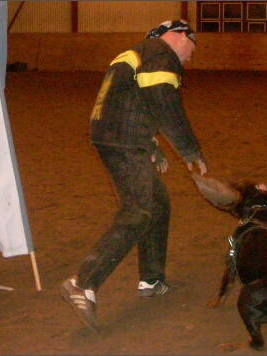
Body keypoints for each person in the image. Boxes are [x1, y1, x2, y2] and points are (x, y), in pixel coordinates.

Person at [60, 19, 207, 332]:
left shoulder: (138, 53)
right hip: (123, 140)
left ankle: (151, 280)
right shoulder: (162, 53)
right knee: (138, 211)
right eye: (192, 47)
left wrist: (152, 146)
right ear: (180, 37)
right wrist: (190, 150)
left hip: (112, 134)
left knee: (158, 202)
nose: (191, 57)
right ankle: (82, 284)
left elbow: (131, 99)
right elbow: (165, 103)